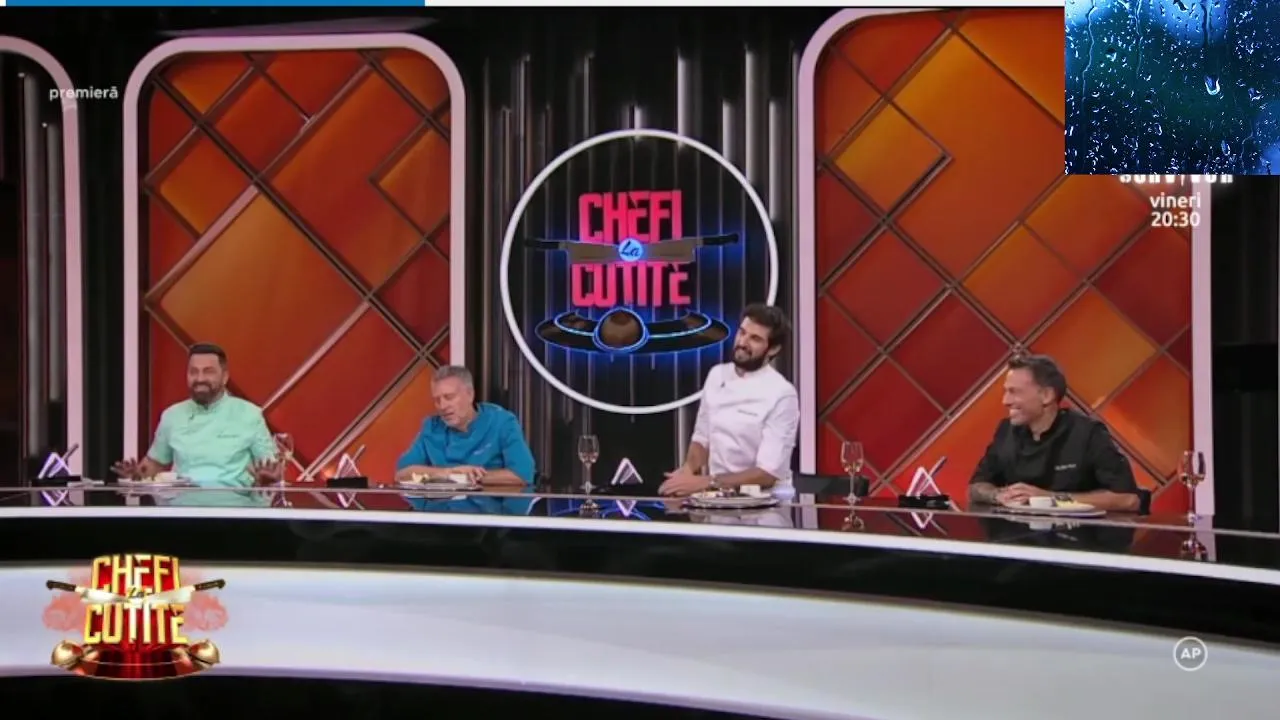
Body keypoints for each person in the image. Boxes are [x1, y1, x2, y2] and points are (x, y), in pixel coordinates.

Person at [112, 343, 282, 506]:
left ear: (224, 377)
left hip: (235, 510)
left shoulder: (250, 415)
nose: (200, 379)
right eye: (193, 372)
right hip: (182, 511)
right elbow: (153, 465)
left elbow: (272, 469)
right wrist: (137, 476)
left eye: (208, 372)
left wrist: (268, 479)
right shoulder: (172, 416)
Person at [968, 355, 1141, 512]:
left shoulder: (1088, 433)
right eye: (1006, 391)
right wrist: (998, 495)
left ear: (1046, 395)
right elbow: (976, 487)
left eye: (1014, 392)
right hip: (1018, 534)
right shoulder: (1006, 431)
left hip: (1079, 535)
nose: (1005, 401)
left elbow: (1128, 500)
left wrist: (1050, 499)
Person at [659, 304, 799, 497]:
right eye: (742, 332)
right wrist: (687, 471)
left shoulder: (782, 394)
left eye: (755, 339)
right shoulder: (717, 375)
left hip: (765, 503)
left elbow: (768, 473)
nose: (742, 342)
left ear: (773, 349)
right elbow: (702, 438)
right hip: (718, 498)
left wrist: (706, 482)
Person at [394, 365, 536, 512]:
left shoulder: (502, 422)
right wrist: (449, 474)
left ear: (470, 394)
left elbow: (522, 475)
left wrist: (468, 477)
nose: (442, 406)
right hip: (442, 517)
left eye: (449, 397)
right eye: (437, 400)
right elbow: (402, 474)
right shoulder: (431, 427)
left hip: (489, 518)